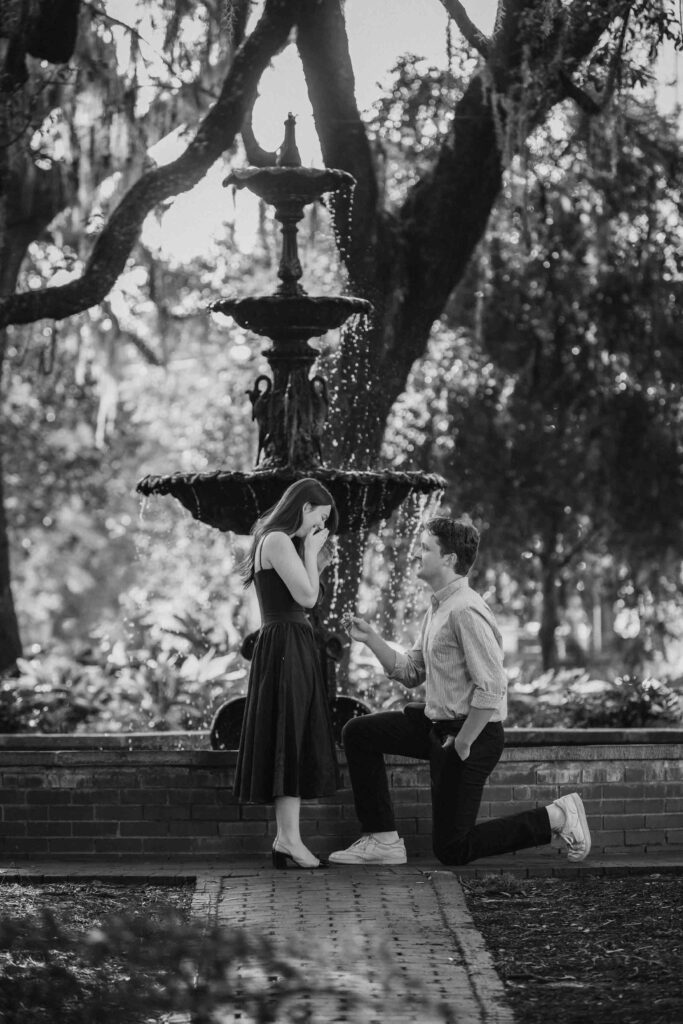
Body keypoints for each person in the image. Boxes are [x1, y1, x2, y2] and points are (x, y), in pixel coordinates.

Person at [329, 515, 591, 867]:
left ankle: (557, 817)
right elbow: (411, 671)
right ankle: (382, 839)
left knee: (453, 849)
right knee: (359, 732)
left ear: (449, 559)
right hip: (436, 726)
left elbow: (493, 686)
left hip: (472, 735)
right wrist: (372, 639)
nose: (417, 555)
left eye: (425, 548)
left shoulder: (466, 610)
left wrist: (464, 742)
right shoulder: (438, 607)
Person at [234, 477, 340, 869]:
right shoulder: (277, 540)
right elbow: (308, 598)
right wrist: (311, 551)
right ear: (305, 506)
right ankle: (291, 840)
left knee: (291, 735)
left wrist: (312, 555)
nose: (320, 528)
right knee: (287, 734)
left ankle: (287, 839)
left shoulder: (282, 543)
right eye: (320, 518)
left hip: (292, 642)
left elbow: (307, 600)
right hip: (284, 644)